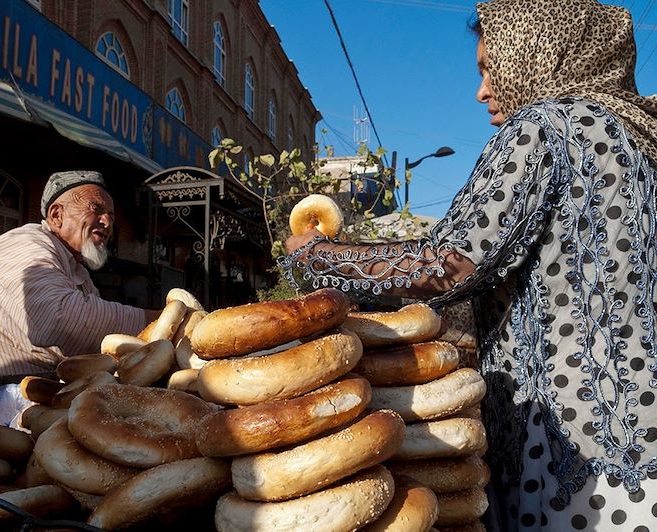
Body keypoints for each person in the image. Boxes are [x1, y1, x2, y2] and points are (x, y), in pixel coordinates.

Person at [282, 0, 657, 529]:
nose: (481, 91)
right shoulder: (634, 138)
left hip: (573, 455)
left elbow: (449, 265)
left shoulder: (547, 128)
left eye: (489, 67)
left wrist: (316, 256)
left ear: (535, 55)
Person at [0, 170, 160, 377]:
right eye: (96, 209)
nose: (108, 223)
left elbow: (99, 342)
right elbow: (58, 317)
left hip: (40, 388)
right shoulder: (26, 241)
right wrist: (157, 320)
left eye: (111, 215)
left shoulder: (77, 270)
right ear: (56, 215)